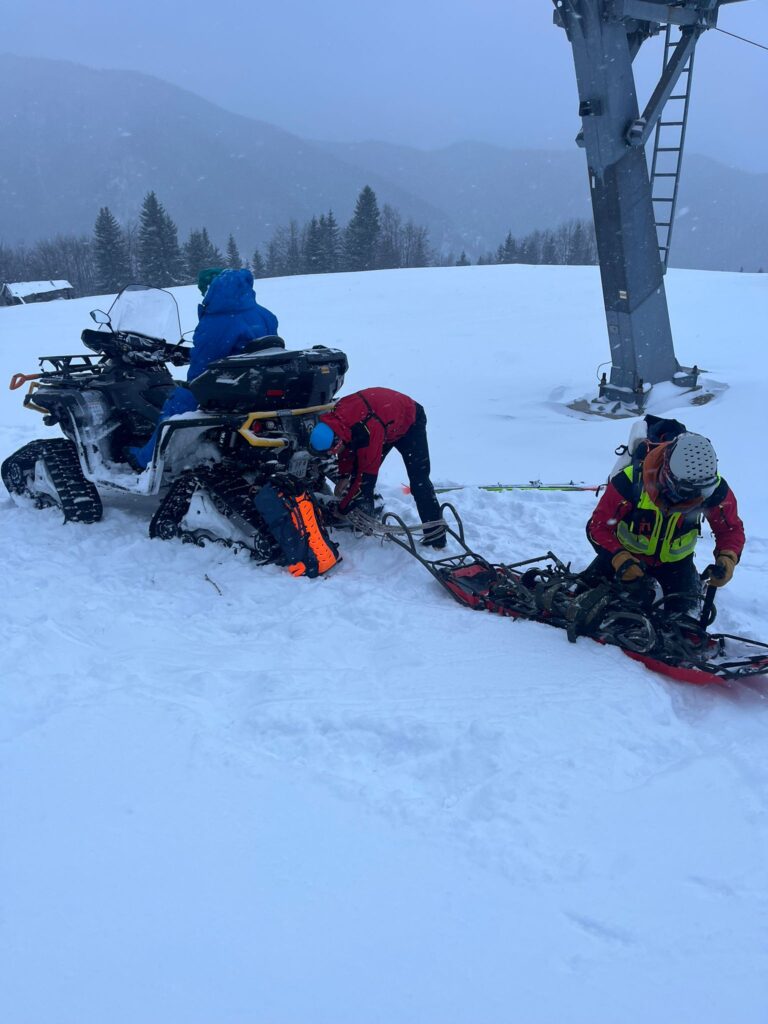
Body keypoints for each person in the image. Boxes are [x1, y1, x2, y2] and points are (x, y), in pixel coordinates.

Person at [128, 267, 278, 470]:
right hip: (255, 382)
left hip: (229, 388)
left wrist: (190, 382)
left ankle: (146, 460)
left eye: (204, 291)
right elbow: (243, 348)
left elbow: (201, 367)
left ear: (212, 289)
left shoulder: (218, 321)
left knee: (177, 402)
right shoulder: (264, 314)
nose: (203, 296)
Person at [585, 431, 745, 613]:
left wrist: (728, 557)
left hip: (677, 566)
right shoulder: (629, 482)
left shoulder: (714, 490)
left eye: (702, 493)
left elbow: (730, 530)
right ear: (669, 478)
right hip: (626, 558)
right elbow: (597, 527)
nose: (696, 499)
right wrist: (618, 557)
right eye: (687, 492)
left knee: (686, 623)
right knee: (582, 599)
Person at [308, 387, 446, 547]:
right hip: (383, 422)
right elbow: (347, 449)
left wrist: (342, 509)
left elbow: (364, 479)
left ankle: (436, 537)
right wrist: (344, 476)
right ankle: (365, 523)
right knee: (355, 477)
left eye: (331, 451)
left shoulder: (366, 432)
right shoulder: (337, 421)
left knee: (419, 481)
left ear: (336, 441)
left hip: (410, 421)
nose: (333, 454)